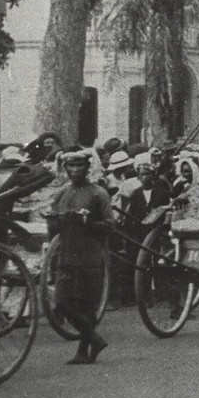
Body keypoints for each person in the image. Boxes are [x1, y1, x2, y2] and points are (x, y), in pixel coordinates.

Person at [47, 151, 112, 364]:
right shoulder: (61, 194)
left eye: (79, 166)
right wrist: (57, 220)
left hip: (91, 255)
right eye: (71, 167)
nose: (75, 170)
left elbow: (110, 225)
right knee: (61, 303)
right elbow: (53, 229)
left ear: (87, 168)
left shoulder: (98, 193)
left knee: (87, 306)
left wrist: (86, 222)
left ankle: (83, 350)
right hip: (66, 254)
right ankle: (94, 338)